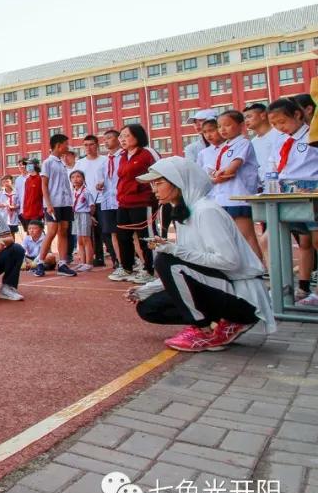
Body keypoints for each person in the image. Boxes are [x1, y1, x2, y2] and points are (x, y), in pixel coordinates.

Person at [128, 156, 274, 351]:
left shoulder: (206, 211)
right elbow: (187, 268)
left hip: (243, 296)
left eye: (159, 183)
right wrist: (146, 289)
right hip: (222, 285)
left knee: (165, 260)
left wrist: (175, 250)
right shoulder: (185, 212)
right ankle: (220, 323)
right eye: (153, 184)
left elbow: (229, 261)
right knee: (148, 307)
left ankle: (203, 329)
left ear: (179, 182)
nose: (154, 190)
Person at [266, 98, 318, 304]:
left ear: (297, 115)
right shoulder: (281, 140)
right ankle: (300, 289)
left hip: (310, 191)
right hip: (286, 191)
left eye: (282, 122)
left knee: (316, 240)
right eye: (274, 124)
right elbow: (275, 165)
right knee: (301, 241)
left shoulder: (312, 135)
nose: (280, 127)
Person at [206, 110, 263, 262]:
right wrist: (216, 176)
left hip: (238, 197)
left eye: (227, 125)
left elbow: (231, 169)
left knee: (246, 236)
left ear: (241, 125)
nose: (222, 129)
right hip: (222, 198)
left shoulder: (243, 143)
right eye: (219, 126)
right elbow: (214, 172)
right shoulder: (224, 147)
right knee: (231, 238)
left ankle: (258, 268)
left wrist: (218, 175)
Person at [114, 123, 158, 285]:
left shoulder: (147, 153)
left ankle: (150, 269)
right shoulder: (123, 156)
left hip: (143, 201)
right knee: (123, 236)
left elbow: (160, 172)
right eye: (121, 136)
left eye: (127, 136)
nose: (122, 139)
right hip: (124, 202)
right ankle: (127, 268)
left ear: (138, 137)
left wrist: (157, 194)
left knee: (145, 236)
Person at [36, 134, 78, 277]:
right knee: (52, 231)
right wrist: (48, 204)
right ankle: (40, 262)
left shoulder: (62, 163)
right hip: (53, 203)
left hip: (65, 203)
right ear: (59, 145)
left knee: (63, 231)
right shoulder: (47, 163)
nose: (68, 147)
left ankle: (62, 264)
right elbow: (44, 185)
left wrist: (70, 202)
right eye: (66, 144)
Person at [76, 135, 109, 267]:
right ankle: (97, 258)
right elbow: (75, 181)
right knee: (89, 232)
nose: (88, 147)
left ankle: (115, 258)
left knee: (105, 230)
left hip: (103, 199)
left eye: (91, 144)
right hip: (85, 203)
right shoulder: (80, 163)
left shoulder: (105, 160)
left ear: (97, 145)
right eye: (86, 145)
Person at [100, 131, 125, 276]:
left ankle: (138, 262)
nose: (106, 141)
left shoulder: (124, 157)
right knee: (113, 233)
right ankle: (121, 263)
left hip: (122, 201)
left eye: (109, 138)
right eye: (105, 139)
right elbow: (104, 179)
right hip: (107, 201)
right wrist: (100, 184)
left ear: (118, 139)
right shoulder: (105, 161)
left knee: (129, 233)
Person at [70, 169, 94, 272]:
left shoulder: (86, 192)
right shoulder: (73, 192)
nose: (75, 179)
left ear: (83, 179)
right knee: (79, 240)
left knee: (86, 239)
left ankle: (89, 263)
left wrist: (90, 216)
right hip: (75, 215)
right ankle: (82, 262)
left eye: (78, 176)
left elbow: (92, 206)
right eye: (73, 177)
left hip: (84, 214)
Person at [20, 159, 44, 229]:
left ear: (36, 166)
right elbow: (26, 197)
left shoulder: (41, 179)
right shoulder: (27, 180)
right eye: (27, 165)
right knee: (29, 233)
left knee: (36, 232)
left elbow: (43, 195)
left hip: (37, 213)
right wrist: (24, 211)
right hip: (26, 213)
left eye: (29, 164)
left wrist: (41, 212)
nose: (27, 166)